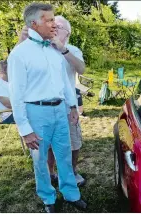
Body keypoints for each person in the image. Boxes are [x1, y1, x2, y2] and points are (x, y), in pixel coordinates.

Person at [7, 3, 86, 212]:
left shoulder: (54, 50)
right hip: (36, 112)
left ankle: (71, 193)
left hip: (61, 111)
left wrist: (72, 106)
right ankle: (48, 198)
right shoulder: (19, 54)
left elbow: (64, 83)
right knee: (40, 160)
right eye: (49, 20)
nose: (54, 24)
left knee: (64, 154)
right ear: (34, 23)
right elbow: (16, 94)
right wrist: (25, 129)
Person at [47, 15, 86, 187]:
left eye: (58, 26)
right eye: (52, 24)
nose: (53, 27)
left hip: (68, 106)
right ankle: (50, 173)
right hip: (45, 107)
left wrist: (62, 49)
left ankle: (72, 171)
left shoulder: (73, 49)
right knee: (47, 143)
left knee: (74, 142)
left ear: (67, 33)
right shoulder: (42, 48)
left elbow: (81, 69)